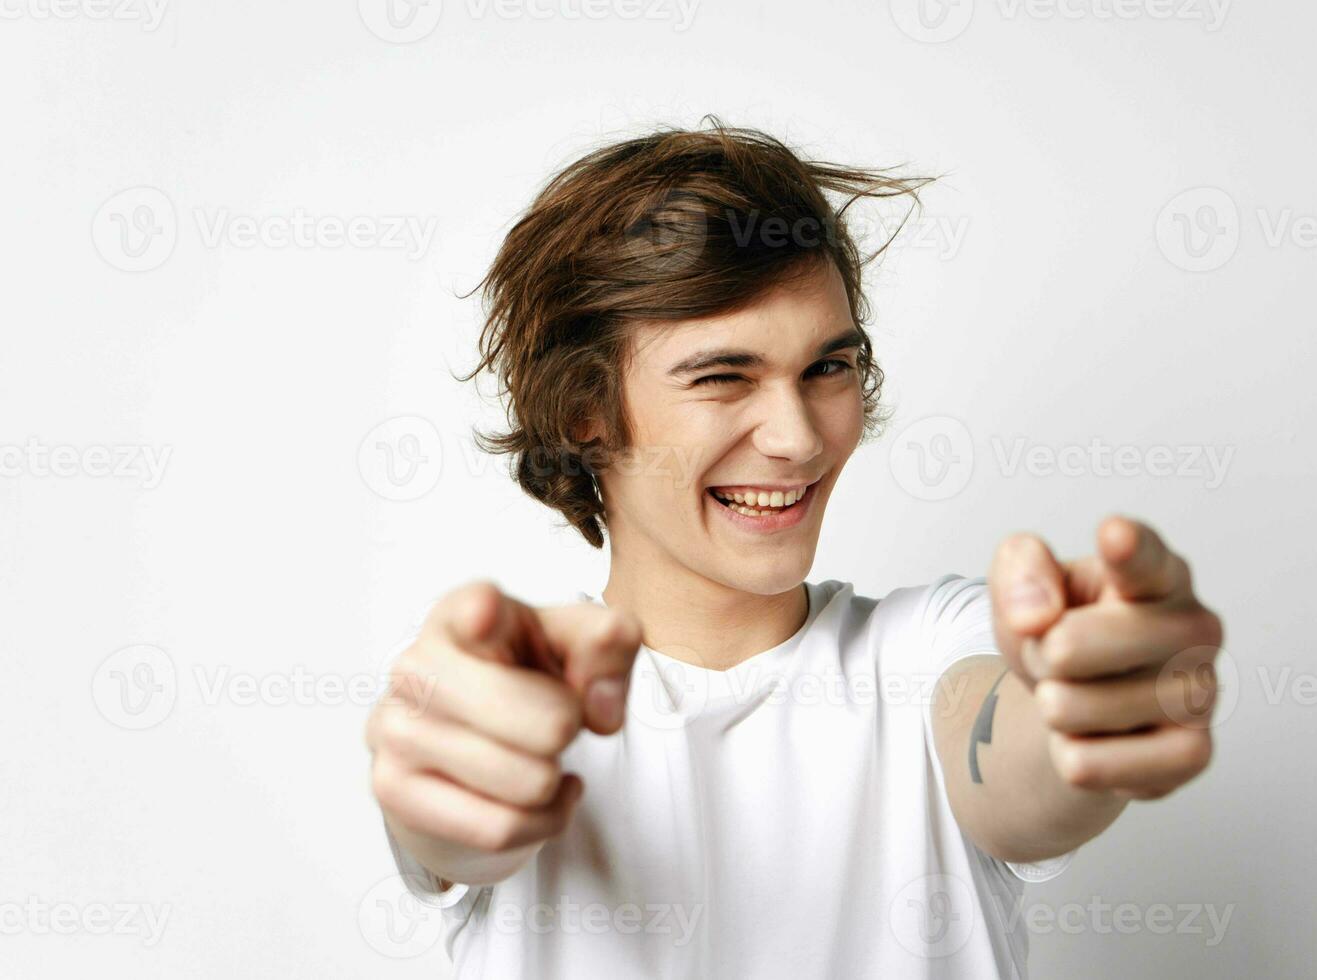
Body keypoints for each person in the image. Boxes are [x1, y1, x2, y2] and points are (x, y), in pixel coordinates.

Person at [364, 120, 1224, 979]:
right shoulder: (511, 697)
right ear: (584, 412)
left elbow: (1007, 757)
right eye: (722, 376)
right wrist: (453, 775)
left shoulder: (931, 648)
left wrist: (1079, 710)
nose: (797, 438)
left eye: (826, 368)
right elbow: (450, 817)